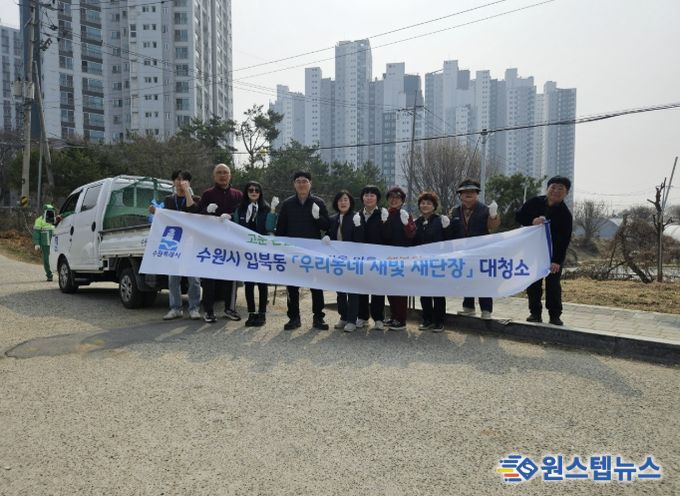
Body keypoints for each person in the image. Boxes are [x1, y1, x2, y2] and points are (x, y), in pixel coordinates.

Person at [275, 171, 331, 331]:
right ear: (294, 184)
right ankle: (294, 318)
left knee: (316, 285)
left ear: (310, 183)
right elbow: (281, 229)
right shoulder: (287, 204)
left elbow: (326, 225)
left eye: (304, 181)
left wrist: (317, 217)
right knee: (292, 286)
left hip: (313, 251)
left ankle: (318, 317)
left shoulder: (318, 202)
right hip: (292, 252)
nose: (301, 184)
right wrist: (280, 248)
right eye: (298, 181)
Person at [516, 175, 573, 326]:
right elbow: (519, 216)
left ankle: (555, 315)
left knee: (553, 286)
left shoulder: (565, 214)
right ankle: (535, 313)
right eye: (553, 187)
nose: (556, 191)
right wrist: (532, 221)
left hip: (552, 255)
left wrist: (557, 260)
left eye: (560, 189)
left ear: (566, 193)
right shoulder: (534, 202)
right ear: (547, 188)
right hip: (533, 252)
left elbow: (564, 240)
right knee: (533, 283)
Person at [149, 170, 202, 320]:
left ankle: (194, 308)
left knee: (194, 279)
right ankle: (175, 308)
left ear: (189, 182)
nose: (180, 182)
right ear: (173, 182)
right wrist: (156, 212)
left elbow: (192, 210)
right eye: (177, 179)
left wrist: (187, 192)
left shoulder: (196, 199)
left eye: (184, 179)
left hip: (192, 242)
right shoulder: (169, 199)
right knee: (173, 278)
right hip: (174, 242)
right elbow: (166, 218)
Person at [195, 163, 243, 323]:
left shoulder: (238, 195)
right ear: (214, 176)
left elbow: (242, 216)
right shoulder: (207, 194)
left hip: (231, 242)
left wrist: (232, 216)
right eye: (219, 172)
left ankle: (230, 308)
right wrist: (206, 211)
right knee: (210, 278)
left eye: (225, 172)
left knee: (231, 277)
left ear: (230, 175)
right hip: (211, 242)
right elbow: (197, 217)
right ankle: (208, 311)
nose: (223, 175)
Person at [449, 179, 501, 320]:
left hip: (482, 252)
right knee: (467, 278)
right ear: (460, 195)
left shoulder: (485, 209)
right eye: (464, 192)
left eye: (471, 191)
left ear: (477, 194)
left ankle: (486, 310)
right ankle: (468, 307)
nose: (468, 194)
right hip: (463, 253)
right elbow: (452, 231)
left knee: (483, 280)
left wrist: (493, 215)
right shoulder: (454, 211)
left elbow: (492, 227)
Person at [233, 181, 278, 327]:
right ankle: (251, 313)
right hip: (246, 251)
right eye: (251, 190)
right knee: (249, 283)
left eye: (257, 190)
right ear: (246, 192)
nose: (254, 192)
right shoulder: (240, 209)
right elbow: (236, 227)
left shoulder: (265, 208)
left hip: (261, 250)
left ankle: (262, 313)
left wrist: (273, 211)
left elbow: (269, 227)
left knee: (262, 283)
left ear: (260, 193)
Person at [413, 192, 450, 332]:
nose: (425, 205)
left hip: (437, 262)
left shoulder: (440, 221)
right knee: (424, 292)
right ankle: (427, 319)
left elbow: (448, 240)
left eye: (428, 203)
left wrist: (447, 228)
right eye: (422, 203)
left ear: (434, 206)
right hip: (422, 263)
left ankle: (439, 321)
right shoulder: (417, 222)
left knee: (438, 292)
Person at [353, 185, 389, 331]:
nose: (369, 198)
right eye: (366, 195)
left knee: (377, 289)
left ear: (377, 199)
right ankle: (362, 316)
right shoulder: (357, 215)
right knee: (361, 288)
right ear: (362, 198)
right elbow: (355, 238)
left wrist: (385, 223)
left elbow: (387, 237)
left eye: (372, 195)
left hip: (378, 258)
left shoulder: (383, 214)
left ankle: (378, 318)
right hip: (361, 258)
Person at [325, 190, 361, 332]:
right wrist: (327, 237)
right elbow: (330, 234)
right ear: (336, 203)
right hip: (337, 260)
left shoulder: (356, 217)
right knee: (340, 292)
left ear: (350, 202)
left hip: (352, 261)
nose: (343, 202)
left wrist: (358, 226)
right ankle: (343, 317)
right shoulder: (333, 219)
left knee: (352, 291)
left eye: (346, 199)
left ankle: (352, 320)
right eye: (340, 200)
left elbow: (361, 240)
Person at [382, 186, 416, 331]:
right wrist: (383, 222)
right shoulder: (385, 214)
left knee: (400, 290)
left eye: (397, 198)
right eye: (391, 197)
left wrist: (406, 224)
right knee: (389, 288)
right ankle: (394, 316)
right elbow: (383, 236)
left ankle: (401, 319)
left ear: (402, 201)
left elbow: (412, 235)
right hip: (387, 257)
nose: (394, 200)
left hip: (402, 257)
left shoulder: (405, 215)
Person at [32, 204, 56, 281]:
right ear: (44, 211)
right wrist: (37, 243)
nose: (50, 213)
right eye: (49, 211)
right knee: (46, 259)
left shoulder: (55, 219)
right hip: (45, 243)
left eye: (52, 211)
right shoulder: (39, 220)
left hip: (56, 243)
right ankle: (49, 275)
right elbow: (36, 232)